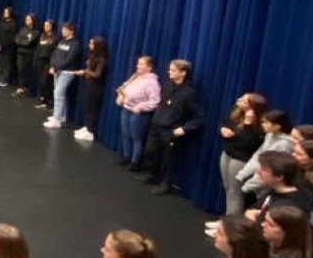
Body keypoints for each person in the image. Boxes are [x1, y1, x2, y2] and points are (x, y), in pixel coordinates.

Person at [142, 59, 205, 195]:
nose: (169, 72)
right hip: (156, 125)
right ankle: (153, 175)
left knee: (168, 159)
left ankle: (166, 183)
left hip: (171, 129)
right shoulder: (167, 85)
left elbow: (199, 116)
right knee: (150, 151)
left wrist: (185, 128)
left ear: (183, 73)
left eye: (173, 70)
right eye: (169, 69)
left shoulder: (189, 92)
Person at [219, 93, 268, 214]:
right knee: (228, 188)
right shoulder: (236, 112)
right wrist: (223, 130)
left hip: (241, 159)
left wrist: (247, 124)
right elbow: (224, 124)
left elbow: (247, 144)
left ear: (252, 107)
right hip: (227, 153)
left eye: (243, 101)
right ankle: (229, 218)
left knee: (235, 191)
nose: (239, 100)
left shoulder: (259, 124)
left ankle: (231, 223)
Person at [235, 108, 295, 202]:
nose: (263, 125)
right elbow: (257, 156)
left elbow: (270, 169)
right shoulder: (269, 135)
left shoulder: (284, 144)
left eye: (266, 123)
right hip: (257, 184)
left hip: (268, 188)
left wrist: (248, 187)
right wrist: (242, 175)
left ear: (277, 126)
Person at [115, 56, 161, 170]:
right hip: (126, 109)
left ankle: (135, 161)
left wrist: (141, 106)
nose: (138, 66)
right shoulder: (135, 76)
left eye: (141, 64)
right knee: (125, 134)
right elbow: (121, 88)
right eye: (138, 63)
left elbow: (155, 101)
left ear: (149, 67)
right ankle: (126, 156)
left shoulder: (152, 82)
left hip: (139, 113)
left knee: (136, 137)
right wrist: (120, 96)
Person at [44, 21, 85, 129]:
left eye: (65, 30)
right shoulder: (61, 41)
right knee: (58, 93)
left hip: (67, 72)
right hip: (57, 70)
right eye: (62, 29)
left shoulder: (75, 44)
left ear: (71, 31)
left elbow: (69, 59)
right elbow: (54, 54)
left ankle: (56, 119)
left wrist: (57, 67)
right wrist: (52, 66)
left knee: (58, 93)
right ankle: (61, 116)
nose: (63, 31)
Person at [74, 36, 109, 141]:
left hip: (96, 87)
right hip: (89, 84)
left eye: (92, 44)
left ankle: (90, 131)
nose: (89, 45)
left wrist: (86, 71)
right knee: (87, 107)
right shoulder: (93, 55)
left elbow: (97, 74)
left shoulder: (102, 58)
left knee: (92, 109)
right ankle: (86, 127)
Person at [12, 13, 40, 98]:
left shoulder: (36, 31)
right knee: (20, 70)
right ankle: (20, 87)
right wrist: (23, 41)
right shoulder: (22, 29)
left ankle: (26, 89)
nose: (27, 21)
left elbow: (29, 43)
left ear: (32, 20)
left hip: (29, 54)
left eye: (29, 19)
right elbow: (16, 39)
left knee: (26, 71)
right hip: (20, 53)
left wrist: (22, 41)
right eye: (26, 19)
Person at [33, 20, 57, 107]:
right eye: (44, 25)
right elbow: (38, 48)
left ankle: (48, 100)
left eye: (47, 26)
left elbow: (55, 52)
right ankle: (41, 98)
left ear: (51, 27)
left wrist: (52, 65)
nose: (45, 27)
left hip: (48, 61)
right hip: (40, 60)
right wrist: (35, 59)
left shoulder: (55, 37)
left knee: (45, 81)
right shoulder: (42, 35)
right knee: (40, 80)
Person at [0, 6, 18, 87]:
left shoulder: (13, 24)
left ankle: (5, 80)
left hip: (8, 47)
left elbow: (10, 37)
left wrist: (2, 45)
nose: (5, 14)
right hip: (0, 47)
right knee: (1, 63)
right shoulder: (2, 22)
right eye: (4, 12)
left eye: (7, 12)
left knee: (7, 64)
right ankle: (0, 78)